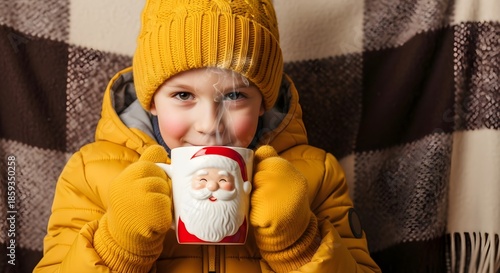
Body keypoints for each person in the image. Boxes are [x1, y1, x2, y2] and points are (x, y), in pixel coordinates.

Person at [35, 0, 381, 272]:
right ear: (151, 101)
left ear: (264, 102)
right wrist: (117, 246)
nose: (209, 125)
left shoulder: (316, 175)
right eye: (183, 96)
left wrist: (299, 243)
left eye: (234, 96)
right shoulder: (90, 174)